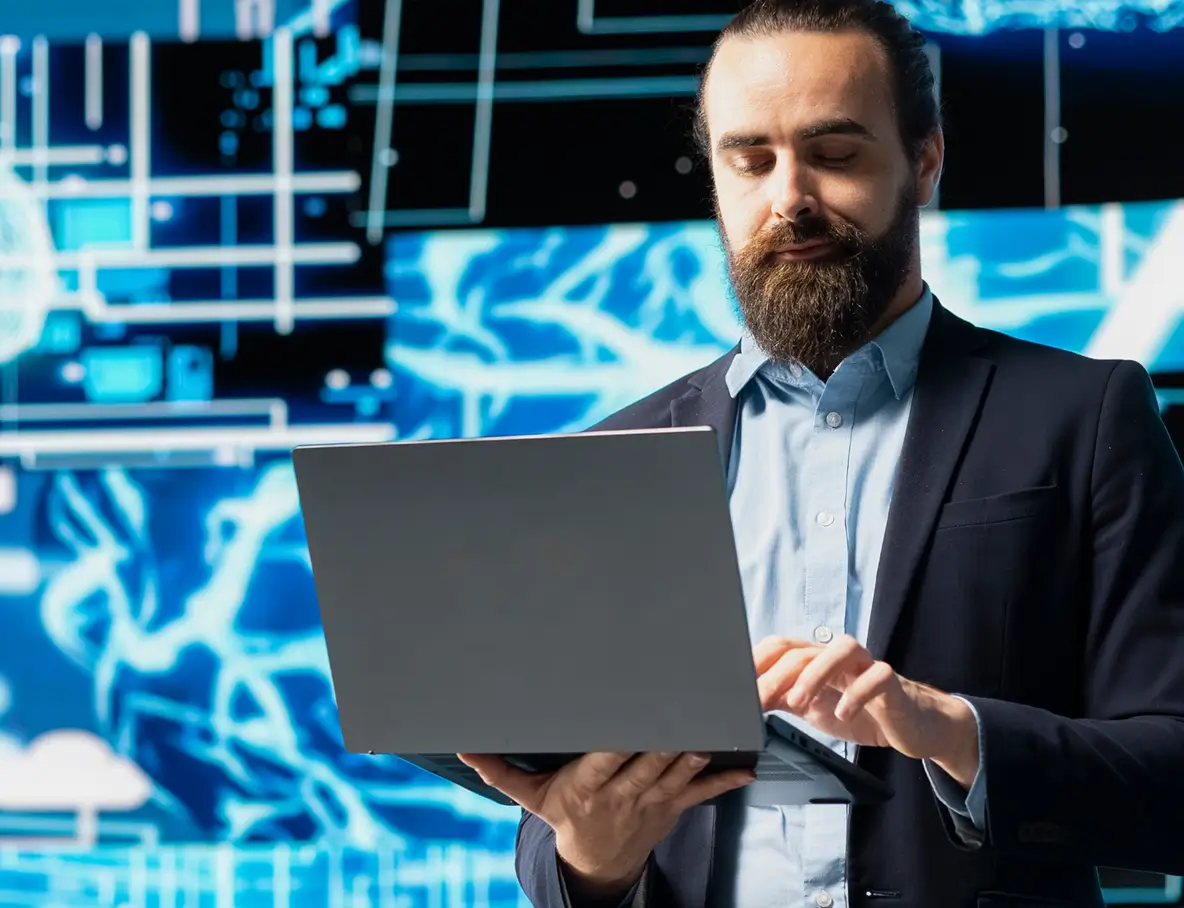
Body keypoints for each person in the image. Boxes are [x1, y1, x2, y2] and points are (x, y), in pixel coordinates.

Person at [459, 0, 1184, 904]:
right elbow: (555, 832)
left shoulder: (1084, 417)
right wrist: (593, 857)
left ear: (925, 160)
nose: (788, 197)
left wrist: (949, 730)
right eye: (749, 159)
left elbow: (1171, 771)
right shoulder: (616, 455)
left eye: (835, 154)